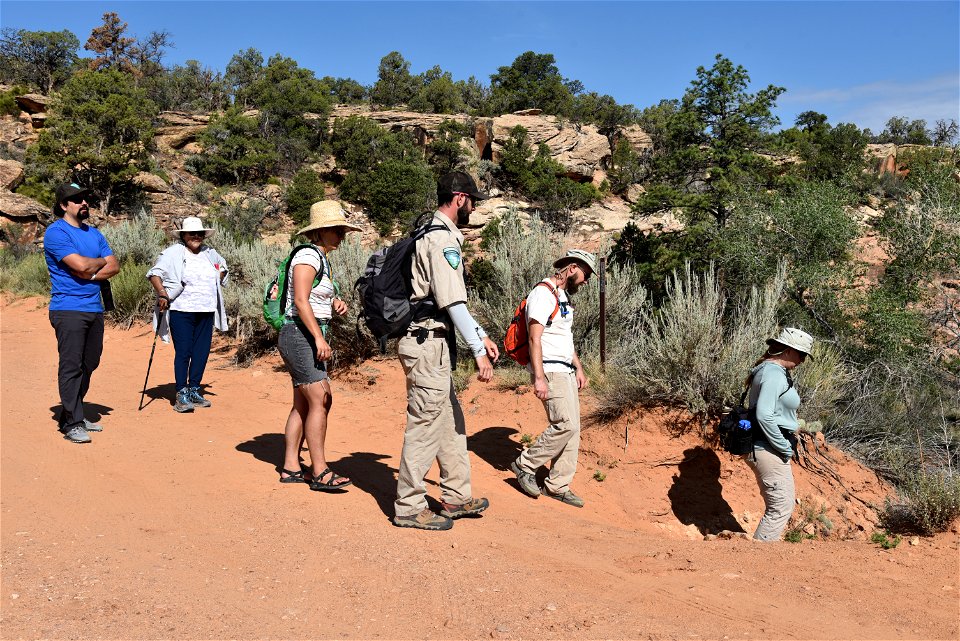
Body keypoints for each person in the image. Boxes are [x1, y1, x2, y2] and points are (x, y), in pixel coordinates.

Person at [393, 171, 500, 530]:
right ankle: (408, 507)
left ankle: (455, 496)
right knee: (424, 424)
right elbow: (453, 302)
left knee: (450, 420)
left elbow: (451, 305)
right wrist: (478, 350)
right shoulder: (442, 242)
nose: (473, 207)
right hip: (427, 344)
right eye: (472, 200)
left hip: (431, 343)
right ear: (459, 198)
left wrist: (479, 334)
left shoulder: (431, 234)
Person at [277, 200, 360, 492]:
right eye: (336, 229)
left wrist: (332, 301)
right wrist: (318, 338)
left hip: (302, 334)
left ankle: (290, 466)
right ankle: (320, 470)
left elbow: (311, 297)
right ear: (320, 231)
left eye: (342, 229)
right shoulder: (308, 256)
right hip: (299, 334)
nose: (341, 234)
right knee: (321, 399)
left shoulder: (321, 259)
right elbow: (300, 301)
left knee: (303, 402)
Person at [510, 249, 596, 508]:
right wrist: (539, 378)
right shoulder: (542, 294)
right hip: (549, 369)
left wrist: (578, 367)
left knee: (574, 429)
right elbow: (535, 338)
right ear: (572, 268)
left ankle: (557, 485)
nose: (586, 280)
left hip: (566, 369)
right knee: (565, 424)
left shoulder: (562, 297)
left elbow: (564, 339)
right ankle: (525, 464)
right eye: (585, 274)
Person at [43, 182, 120, 443]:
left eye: (85, 198)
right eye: (77, 200)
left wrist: (91, 268)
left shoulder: (94, 234)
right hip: (68, 308)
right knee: (71, 365)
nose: (83, 203)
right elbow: (77, 264)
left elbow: (114, 265)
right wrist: (94, 265)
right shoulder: (56, 233)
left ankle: (72, 411)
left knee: (90, 362)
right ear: (64, 205)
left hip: (94, 308)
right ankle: (73, 422)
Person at [146, 217, 229, 412]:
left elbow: (224, 268)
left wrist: (218, 277)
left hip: (206, 309)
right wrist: (162, 292)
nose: (196, 237)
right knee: (184, 351)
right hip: (181, 310)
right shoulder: (173, 253)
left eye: (199, 234)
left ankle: (194, 389)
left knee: (201, 352)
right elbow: (154, 273)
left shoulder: (210, 253)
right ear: (183, 235)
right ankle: (181, 392)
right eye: (192, 234)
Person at [743, 327, 814, 541]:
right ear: (788, 350)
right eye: (801, 354)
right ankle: (756, 563)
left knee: (780, 506)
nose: (802, 360)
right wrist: (783, 447)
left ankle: (757, 561)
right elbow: (764, 415)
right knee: (780, 507)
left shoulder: (770, 370)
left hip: (765, 446)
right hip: (767, 447)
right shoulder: (773, 373)